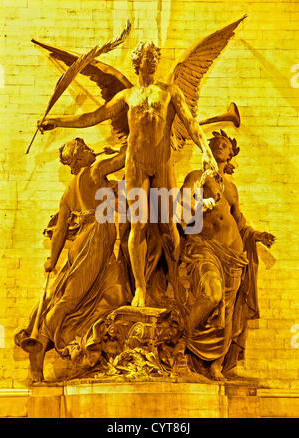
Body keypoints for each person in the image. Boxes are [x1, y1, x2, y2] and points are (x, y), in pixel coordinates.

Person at [38, 41, 218, 308]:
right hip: (135, 164)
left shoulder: (170, 91)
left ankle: (177, 283)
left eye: (156, 54)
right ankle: (141, 289)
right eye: (148, 55)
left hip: (161, 161)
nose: (154, 59)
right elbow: (94, 116)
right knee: (138, 226)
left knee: (169, 225)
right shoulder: (127, 97)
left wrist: (206, 150)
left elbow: (190, 123)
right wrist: (58, 122)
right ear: (137, 62)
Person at [15, 138, 128, 381]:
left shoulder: (68, 191)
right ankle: (37, 352)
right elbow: (128, 155)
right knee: (68, 299)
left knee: (120, 298)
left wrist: (53, 261)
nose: (91, 151)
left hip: (98, 246)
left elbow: (60, 231)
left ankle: (93, 344)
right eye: (86, 149)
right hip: (94, 240)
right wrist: (118, 149)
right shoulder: (95, 171)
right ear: (78, 159)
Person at [179, 130, 275, 380]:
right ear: (207, 149)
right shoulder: (195, 177)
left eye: (224, 145)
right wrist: (201, 204)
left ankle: (217, 365)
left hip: (234, 255)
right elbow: (182, 204)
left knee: (228, 309)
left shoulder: (231, 187)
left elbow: (238, 220)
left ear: (230, 154)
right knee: (211, 294)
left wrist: (255, 234)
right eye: (215, 144)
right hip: (204, 246)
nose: (219, 147)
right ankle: (182, 343)